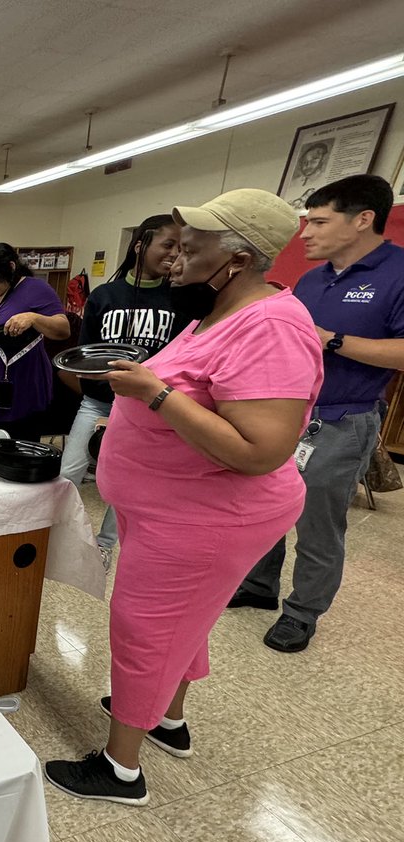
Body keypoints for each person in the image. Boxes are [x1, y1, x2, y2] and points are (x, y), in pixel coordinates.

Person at [44, 189, 323, 806]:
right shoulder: (213, 314)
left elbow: (261, 450)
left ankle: (120, 770)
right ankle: (167, 719)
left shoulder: (272, 326)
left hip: (206, 515)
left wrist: (155, 395)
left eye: (189, 248)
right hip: (172, 508)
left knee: (145, 627)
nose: (172, 260)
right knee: (183, 622)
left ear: (238, 259)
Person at [232, 174, 404, 653]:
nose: (304, 232)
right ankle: (260, 586)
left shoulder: (398, 273)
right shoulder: (312, 278)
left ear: (363, 219)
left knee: (317, 522)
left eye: (319, 221)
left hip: (344, 418)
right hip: (285, 413)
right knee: (266, 505)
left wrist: (330, 339)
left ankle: (302, 613)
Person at [60, 215, 186, 570]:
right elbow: (84, 353)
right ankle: (59, 535)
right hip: (97, 401)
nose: (174, 254)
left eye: (181, 247)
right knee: (70, 470)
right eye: (168, 245)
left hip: (146, 408)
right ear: (140, 246)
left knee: (125, 483)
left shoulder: (180, 296)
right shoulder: (105, 295)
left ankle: (104, 545)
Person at [0, 243, 70, 438]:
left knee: (18, 454)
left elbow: (63, 329)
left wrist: (34, 318)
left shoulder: (35, 288)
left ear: (11, 268)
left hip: (20, 390)